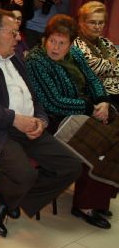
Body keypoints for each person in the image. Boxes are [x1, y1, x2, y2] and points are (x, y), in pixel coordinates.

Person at [0, 9, 81, 238]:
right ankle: (8, 197)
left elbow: (34, 97)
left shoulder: (16, 59)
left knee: (71, 166)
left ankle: (2, 198)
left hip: (27, 126)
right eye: (13, 33)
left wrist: (40, 120)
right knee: (26, 174)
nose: (19, 37)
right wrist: (14, 119)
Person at [25, 14, 116, 229]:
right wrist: (89, 109)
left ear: (71, 43)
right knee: (99, 142)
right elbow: (52, 102)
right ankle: (85, 205)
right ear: (45, 39)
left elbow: (93, 79)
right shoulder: (36, 60)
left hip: (82, 110)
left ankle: (100, 197)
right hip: (57, 119)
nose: (55, 48)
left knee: (115, 133)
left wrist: (102, 101)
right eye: (52, 41)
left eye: (62, 43)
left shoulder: (74, 54)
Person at [73, 1, 119, 105]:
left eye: (101, 22)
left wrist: (105, 65)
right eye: (92, 22)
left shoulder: (106, 42)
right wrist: (112, 62)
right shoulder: (75, 43)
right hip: (95, 94)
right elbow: (93, 70)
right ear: (81, 22)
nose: (97, 27)